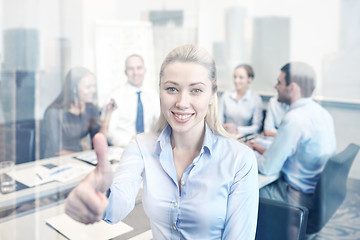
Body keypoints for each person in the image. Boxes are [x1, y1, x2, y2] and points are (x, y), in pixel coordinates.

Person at [65, 45, 259, 239]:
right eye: (172, 89)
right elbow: (117, 206)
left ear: (212, 94)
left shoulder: (239, 159)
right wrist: (102, 195)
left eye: (196, 90)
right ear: (160, 91)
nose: (182, 102)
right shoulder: (141, 146)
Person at [248, 62, 336, 209]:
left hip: (296, 197)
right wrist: (259, 149)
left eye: (279, 82)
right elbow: (295, 156)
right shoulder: (322, 113)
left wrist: (246, 152)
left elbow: (267, 168)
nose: (275, 86)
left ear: (293, 87)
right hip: (315, 195)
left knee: (246, 189)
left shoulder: (294, 119)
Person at [43, 67, 116, 158]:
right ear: (74, 89)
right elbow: (57, 151)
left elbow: (99, 140)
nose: (93, 90)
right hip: (57, 161)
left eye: (94, 86)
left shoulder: (90, 108)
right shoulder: (53, 113)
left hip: (79, 158)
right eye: (88, 87)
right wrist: (86, 154)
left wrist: (108, 113)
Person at [106, 54, 160, 147]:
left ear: (144, 70)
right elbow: (109, 132)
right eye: (131, 69)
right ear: (125, 72)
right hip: (123, 148)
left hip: (149, 148)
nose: (135, 73)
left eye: (139, 68)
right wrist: (131, 142)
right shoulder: (115, 97)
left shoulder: (153, 95)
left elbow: (159, 124)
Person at [218, 64, 263, 137]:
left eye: (241, 77)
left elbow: (257, 127)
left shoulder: (256, 99)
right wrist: (222, 127)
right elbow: (218, 120)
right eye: (235, 77)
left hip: (244, 138)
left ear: (250, 79)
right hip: (225, 136)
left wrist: (237, 129)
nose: (236, 80)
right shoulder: (226, 96)